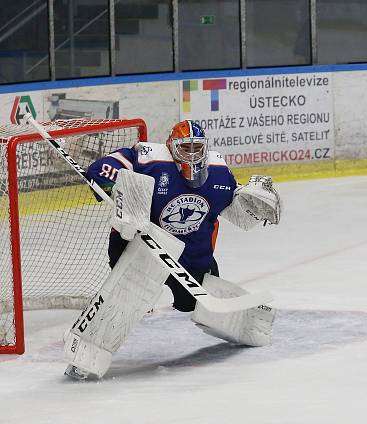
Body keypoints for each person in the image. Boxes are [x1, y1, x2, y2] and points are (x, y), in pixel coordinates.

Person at [62, 120, 282, 379]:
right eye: (184, 148)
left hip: (191, 252)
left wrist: (249, 203)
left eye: (196, 148)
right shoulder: (150, 159)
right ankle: (85, 355)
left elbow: (232, 208)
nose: (191, 154)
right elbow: (108, 166)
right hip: (140, 245)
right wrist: (121, 188)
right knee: (126, 297)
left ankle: (248, 322)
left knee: (195, 302)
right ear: (171, 147)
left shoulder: (219, 171)